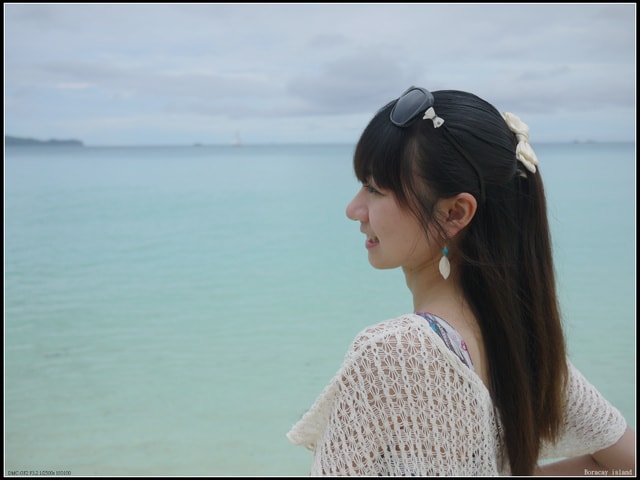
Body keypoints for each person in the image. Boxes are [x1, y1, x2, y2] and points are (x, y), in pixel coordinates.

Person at [287, 86, 635, 476]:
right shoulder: (522, 345)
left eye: (374, 189)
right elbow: (626, 463)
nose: (354, 209)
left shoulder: (392, 352)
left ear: (455, 213)